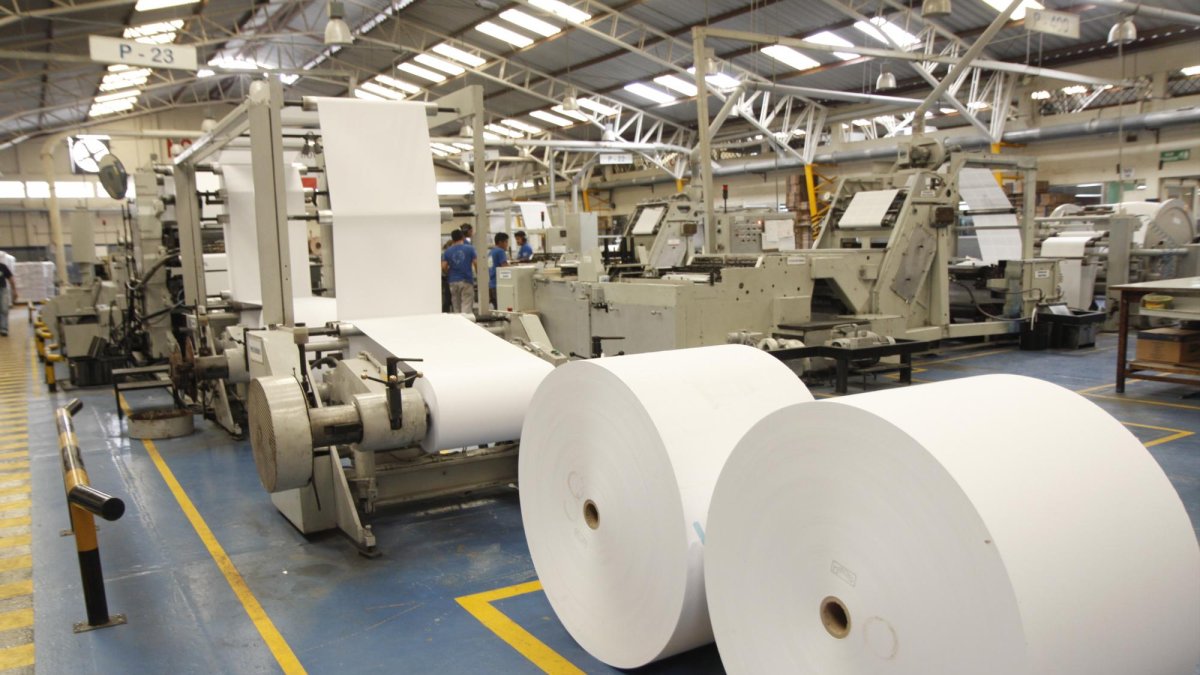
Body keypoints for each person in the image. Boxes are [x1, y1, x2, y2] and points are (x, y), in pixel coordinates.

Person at [441, 229, 476, 314]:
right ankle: (466, 321)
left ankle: (458, 321)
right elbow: (476, 263)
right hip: (466, 280)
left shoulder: (448, 251)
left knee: (456, 307)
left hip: (453, 281)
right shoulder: (470, 249)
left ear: (452, 239)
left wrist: (448, 273)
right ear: (463, 237)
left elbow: (443, 266)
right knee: (466, 306)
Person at [488, 232, 509, 309]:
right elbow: (505, 268)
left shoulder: (491, 252)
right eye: (506, 242)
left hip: (492, 284)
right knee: (503, 308)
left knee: (496, 308)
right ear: (500, 242)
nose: (507, 244)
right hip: (499, 284)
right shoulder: (500, 251)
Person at [0, 261, 15, 337]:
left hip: (3, 290)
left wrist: (14, 290)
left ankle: (4, 328)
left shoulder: (2, 266)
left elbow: (10, 278)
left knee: (4, 308)